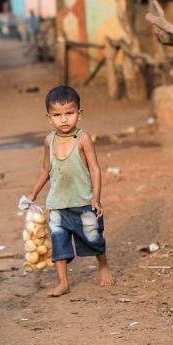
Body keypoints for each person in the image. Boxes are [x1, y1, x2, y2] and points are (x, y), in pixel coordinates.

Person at [25, 85, 113, 296]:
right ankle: (63, 282)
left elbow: (95, 168)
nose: (64, 120)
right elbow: (45, 169)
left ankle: (103, 266)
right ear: (49, 117)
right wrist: (33, 193)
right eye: (57, 115)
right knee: (59, 245)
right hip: (58, 204)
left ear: (79, 114)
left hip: (84, 203)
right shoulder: (49, 141)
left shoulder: (83, 139)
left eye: (69, 113)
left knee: (94, 239)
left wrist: (96, 198)